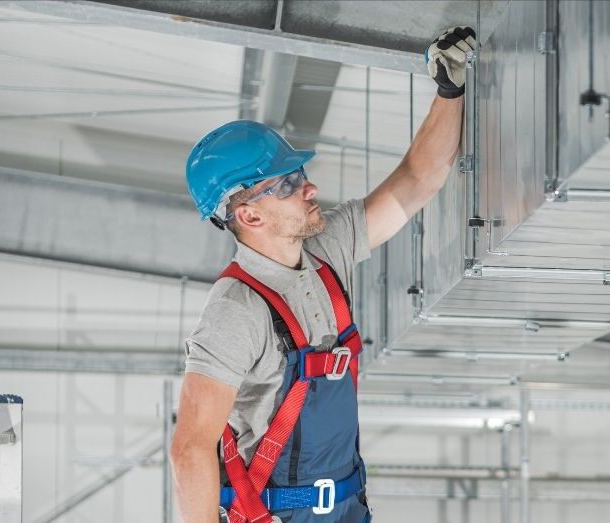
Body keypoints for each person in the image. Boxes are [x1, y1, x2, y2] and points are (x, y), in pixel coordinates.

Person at [170, 27, 477, 523]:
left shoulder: (326, 249)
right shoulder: (235, 311)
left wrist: (450, 89)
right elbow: (190, 448)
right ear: (249, 215)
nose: (309, 187)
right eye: (289, 183)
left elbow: (417, 180)